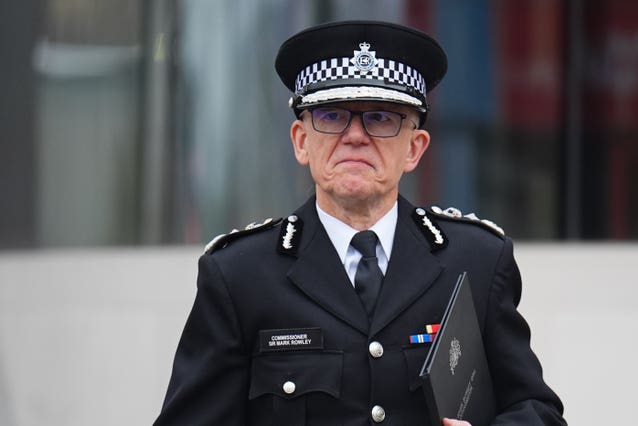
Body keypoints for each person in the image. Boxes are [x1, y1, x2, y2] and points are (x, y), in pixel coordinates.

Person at [154, 21, 567, 426]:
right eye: (332, 117)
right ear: (301, 141)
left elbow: (539, 411)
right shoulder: (240, 276)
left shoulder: (476, 261)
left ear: (414, 148)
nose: (354, 136)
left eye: (381, 118)